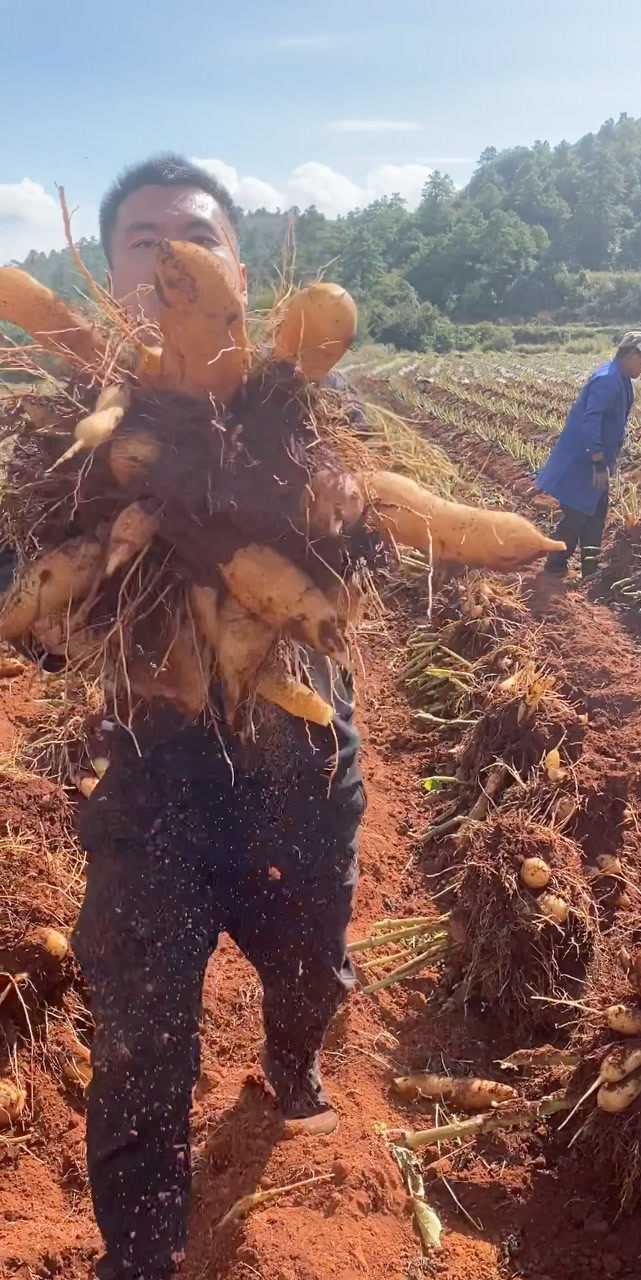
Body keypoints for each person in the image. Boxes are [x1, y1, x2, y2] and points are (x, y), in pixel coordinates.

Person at [70, 155, 366, 1280]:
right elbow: (24, 583)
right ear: (111, 276)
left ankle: (292, 1058)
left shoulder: (302, 400)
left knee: (311, 964)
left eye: (192, 234)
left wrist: (343, 528)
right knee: (141, 1038)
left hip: (301, 760)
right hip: (154, 777)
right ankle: (139, 1256)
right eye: (141, 240)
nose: (168, 256)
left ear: (237, 267)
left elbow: (368, 551)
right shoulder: (76, 424)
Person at [536, 331, 641, 578]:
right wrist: (597, 459)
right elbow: (591, 420)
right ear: (631, 354)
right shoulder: (608, 379)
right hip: (582, 462)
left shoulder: (621, 379)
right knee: (577, 514)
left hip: (595, 462)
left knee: (595, 513)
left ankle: (590, 570)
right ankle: (554, 568)